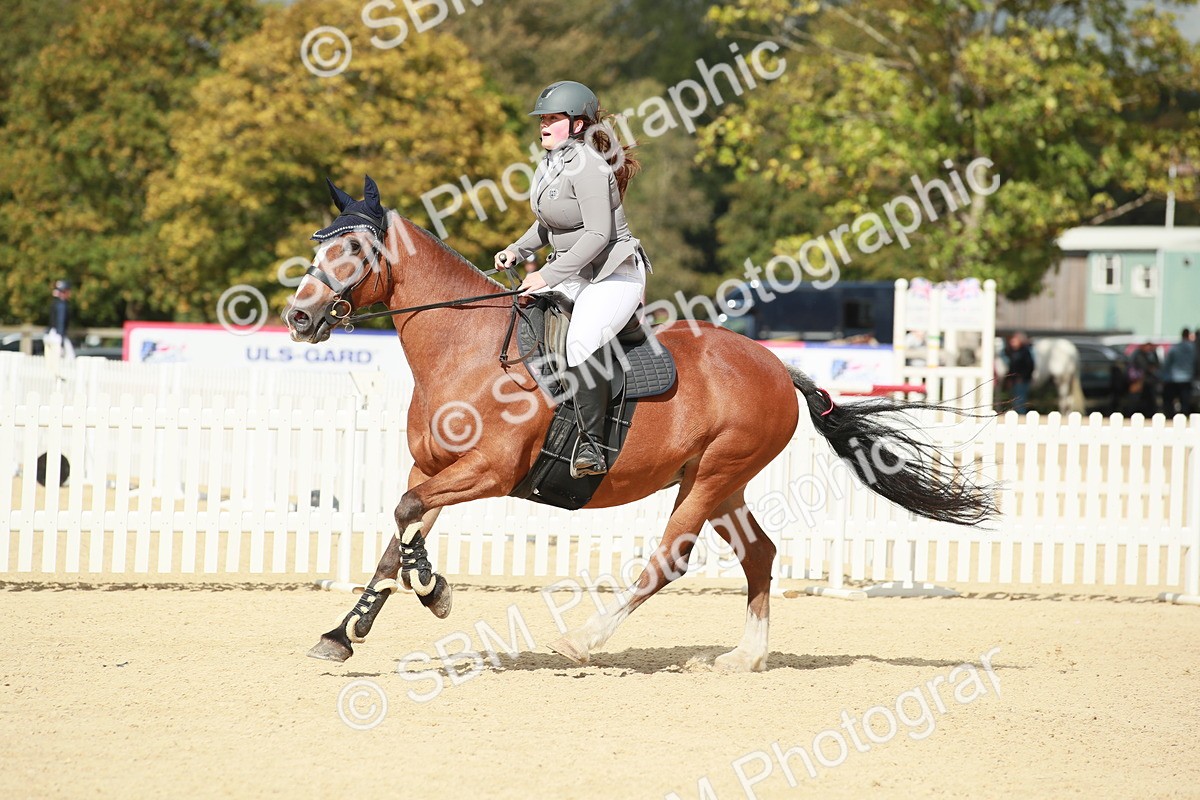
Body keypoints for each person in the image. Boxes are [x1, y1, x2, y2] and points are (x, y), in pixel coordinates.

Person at [494, 81, 650, 478]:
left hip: (613, 273)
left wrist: (546, 274)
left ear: (577, 124)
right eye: (542, 118)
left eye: (552, 118)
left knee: (579, 340)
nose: (543, 125)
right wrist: (517, 250)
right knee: (525, 315)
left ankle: (593, 446)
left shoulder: (590, 167)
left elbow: (597, 235)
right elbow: (548, 222)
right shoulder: (550, 163)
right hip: (576, 270)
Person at [1162, 328, 1195, 415]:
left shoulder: (1175, 347)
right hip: (1187, 378)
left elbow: (1167, 363)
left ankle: (1170, 417)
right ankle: (1184, 416)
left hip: (1173, 378)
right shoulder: (1193, 348)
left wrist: (1163, 376)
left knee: (1169, 401)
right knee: (1185, 402)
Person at [1003, 332, 1034, 414]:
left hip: (1022, 381)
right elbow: (1012, 368)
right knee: (1015, 399)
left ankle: (1021, 415)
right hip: (1014, 380)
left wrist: (1022, 377)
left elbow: (1029, 366)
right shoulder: (1013, 352)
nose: (1012, 342)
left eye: (1014, 340)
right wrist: (1009, 379)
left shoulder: (1025, 352)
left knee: (1020, 399)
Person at [1129, 341, 1161, 416]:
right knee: (1138, 400)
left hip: (1149, 381)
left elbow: (1157, 366)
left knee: (1149, 400)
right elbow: (1143, 366)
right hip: (1140, 380)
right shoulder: (1138, 354)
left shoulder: (1152, 354)